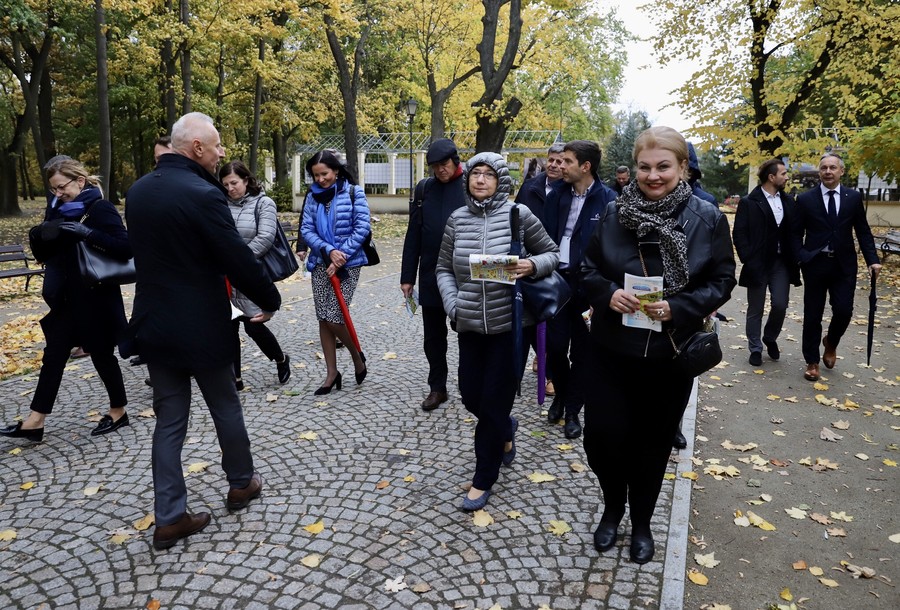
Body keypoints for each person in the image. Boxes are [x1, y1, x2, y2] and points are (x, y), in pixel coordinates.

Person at [125, 112, 281, 550]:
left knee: (169, 421)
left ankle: (169, 517)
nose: (221, 153)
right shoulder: (202, 193)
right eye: (216, 146)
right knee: (225, 407)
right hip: (201, 325)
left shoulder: (137, 192)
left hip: (155, 324)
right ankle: (241, 484)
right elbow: (236, 257)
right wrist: (269, 299)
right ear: (196, 148)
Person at [581, 126, 735, 564]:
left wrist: (680, 306)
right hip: (611, 349)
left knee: (650, 446)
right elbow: (588, 269)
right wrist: (607, 293)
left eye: (663, 166)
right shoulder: (613, 213)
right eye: (645, 167)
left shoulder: (706, 218)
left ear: (682, 167)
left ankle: (642, 523)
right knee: (602, 440)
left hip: (669, 354)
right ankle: (613, 508)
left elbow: (723, 278)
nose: (653, 176)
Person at [436, 152, 559, 512]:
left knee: (492, 402)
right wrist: (453, 303)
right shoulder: (456, 220)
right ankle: (506, 429)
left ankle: (483, 478)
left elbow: (551, 254)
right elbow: (443, 268)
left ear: (500, 180)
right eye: (476, 173)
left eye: (489, 174)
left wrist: (531, 265)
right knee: (471, 396)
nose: (480, 179)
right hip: (469, 323)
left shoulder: (519, 216)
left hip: (511, 327)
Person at [1, 158, 131, 442]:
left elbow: (126, 248)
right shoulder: (57, 211)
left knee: (102, 356)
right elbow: (52, 254)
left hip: (95, 299)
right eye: (53, 190)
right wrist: (41, 236)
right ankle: (35, 421)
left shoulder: (100, 209)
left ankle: (119, 410)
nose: (58, 194)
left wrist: (89, 234)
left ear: (80, 181)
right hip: (67, 301)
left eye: (62, 188)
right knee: (54, 357)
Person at [542, 140, 614, 439]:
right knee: (554, 348)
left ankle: (572, 410)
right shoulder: (556, 194)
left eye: (568, 161)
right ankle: (560, 391)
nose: (561, 166)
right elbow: (543, 236)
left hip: (589, 289)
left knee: (583, 354)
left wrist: (604, 294)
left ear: (585, 166)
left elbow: (612, 251)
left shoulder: (608, 199)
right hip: (557, 284)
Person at [792, 152, 880, 382]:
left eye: (832, 168)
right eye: (824, 168)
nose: (828, 172)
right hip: (815, 264)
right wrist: (801, 255)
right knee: (813, 314)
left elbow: (862, 230)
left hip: (844, 265)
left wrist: (872, 259)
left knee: (843, 310)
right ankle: (812, 361)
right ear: (819, 172)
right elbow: (794, 233)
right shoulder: (805, 199)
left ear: (841, 171)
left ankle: (831, 342)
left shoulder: (853, 198)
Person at [400, 138, 466, 411]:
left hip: (463, 276)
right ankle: (437, 387)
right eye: (435, 166)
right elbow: (413, 233)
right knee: (433, 337)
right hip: (430, 274)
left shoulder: (470, 186)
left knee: (466, 331)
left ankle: (469, 381)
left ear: (456, 161)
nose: (440, 170)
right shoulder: (425, 189)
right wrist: (407, 276)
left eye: (445, 164)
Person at [301, 150, 370, 394]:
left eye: (325, 174)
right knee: (323, 317)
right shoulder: (311, 196)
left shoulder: (353, 192)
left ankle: (356, 357)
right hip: (321, 262)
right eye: (315, 175)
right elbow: (306, 229)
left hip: (348, 264)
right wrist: (328, 250)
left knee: (334, 316)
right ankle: (331, 373)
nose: (320, 179)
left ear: (336, 171)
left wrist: (340, 256)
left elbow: (362, 227)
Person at [218, 160, 291, 388]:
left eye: (234, 183)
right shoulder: (221, 204)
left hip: (251, 274)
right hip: (226, 277)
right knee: (228, 328)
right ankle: (235, 378)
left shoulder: (263, 203)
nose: (230, 188)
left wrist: (240, 261)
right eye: (225, 184)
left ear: (246, 180)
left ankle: (281, 359)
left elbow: (265, 238)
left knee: (253, 325)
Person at [732, 159, 801, 366]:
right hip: (758, 263)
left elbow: (796, 230)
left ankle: (769, 337)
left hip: (781, 263)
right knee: (756, 308)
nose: (786, 177)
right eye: (783, 173)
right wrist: (748, 258)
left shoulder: (788, 201)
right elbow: (739, 233)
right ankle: (755, 348)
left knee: (780, 304)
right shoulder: (749, 202)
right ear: (772, 177)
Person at [515, 142, 566, 223]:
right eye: (551, 160)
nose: (553, 165)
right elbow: (516, 216)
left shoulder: (572, 190)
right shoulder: (528, 187)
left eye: (559, 162)